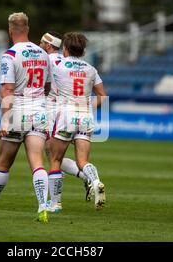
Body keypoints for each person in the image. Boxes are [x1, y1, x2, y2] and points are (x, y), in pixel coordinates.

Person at [0, 12, 51, 223]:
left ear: (10, 30)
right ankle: (43, 207)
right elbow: (48, 86)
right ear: (28, 29)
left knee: (3, 162)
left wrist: (5, 120)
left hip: (18, 112)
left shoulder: (10, 55)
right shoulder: (42, 53)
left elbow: (7, 90)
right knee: (37, 161)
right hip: (39, 110)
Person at [48, 32, 107, 211]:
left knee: (55, 159)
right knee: (82, 161)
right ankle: (95, 181)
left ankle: (55, 203)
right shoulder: (91, 69)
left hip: (66, 115)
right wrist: (89, 108)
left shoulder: (58, 65)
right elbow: (102, 96)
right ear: (82, 50)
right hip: (85, 116)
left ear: (65, 48)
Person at [39, 31, 93, 213]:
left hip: (54, 111)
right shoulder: (67, 61)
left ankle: (55, 202)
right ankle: (84, 175)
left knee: (53, 156)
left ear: (48, 45)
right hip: (73, 111)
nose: (39, 46)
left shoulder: (49, 61)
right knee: (53, 154)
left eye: (41, 43)